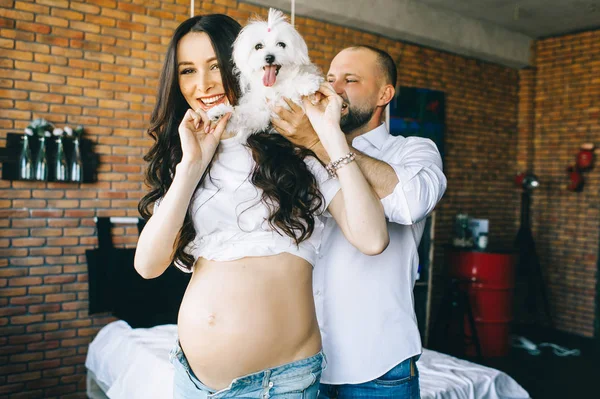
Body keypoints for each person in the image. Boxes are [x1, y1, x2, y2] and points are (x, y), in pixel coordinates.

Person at [134, 15, 389, 399]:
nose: (202, 84)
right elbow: (148, 265)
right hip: (190, 380)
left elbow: (373, 239)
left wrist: (329, 137)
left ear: (246, 64)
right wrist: (190, 167)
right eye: (188, 70)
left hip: (277, 385)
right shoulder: (189, 151)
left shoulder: (295, 144)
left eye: (216, 66)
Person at [271, 46, 447, 398]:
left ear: (385, 94)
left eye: (350, 80)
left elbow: (411, 203)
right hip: (299, 363)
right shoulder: (300, 158)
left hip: (378, 366)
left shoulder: (413, 151)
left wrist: (320, 143)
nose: (335, 89)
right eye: (331, 79)